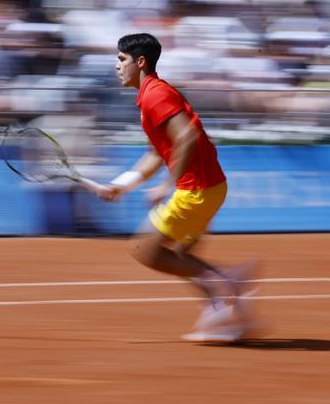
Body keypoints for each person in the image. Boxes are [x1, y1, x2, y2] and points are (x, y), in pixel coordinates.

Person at [98, 33, 259, 342]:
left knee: (145, 250)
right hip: (211, 187)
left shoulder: (155, 95)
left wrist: (165, 186)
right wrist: (122, 185)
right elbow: (156, 152)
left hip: (195, 191)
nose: (116, 66)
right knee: (183, 255)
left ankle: (226, 283)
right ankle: (225, 313)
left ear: (140, 62)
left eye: (121, 60)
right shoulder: (152, 95)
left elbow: (186, 137)